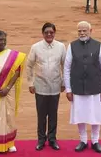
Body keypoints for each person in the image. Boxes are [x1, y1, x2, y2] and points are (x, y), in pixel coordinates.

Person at [64, 21, 101, 153]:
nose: (82, 33)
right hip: (77, 87)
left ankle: (95, 141)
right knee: (80, 114)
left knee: (95, 115)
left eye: (84, 30)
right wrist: (68, 89)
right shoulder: (72, 46)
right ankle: (83, 140)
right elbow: (66, 68)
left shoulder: (99, 46)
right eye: (79, 31)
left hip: (95, 87)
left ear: (91, 30)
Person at [26, 22, 66, 151]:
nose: (49, 34)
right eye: (46, 32)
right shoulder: (36, 47)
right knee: (41, 115)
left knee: (53, 115)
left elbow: (65, 65)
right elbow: (29, 65)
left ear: (54, 33)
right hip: (40, 86)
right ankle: (41, 140)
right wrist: (30, 83)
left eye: (51, 32)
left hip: (55, 86)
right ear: (43, 33)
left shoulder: (61, 47)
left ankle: (52, 139)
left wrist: (64, 82)